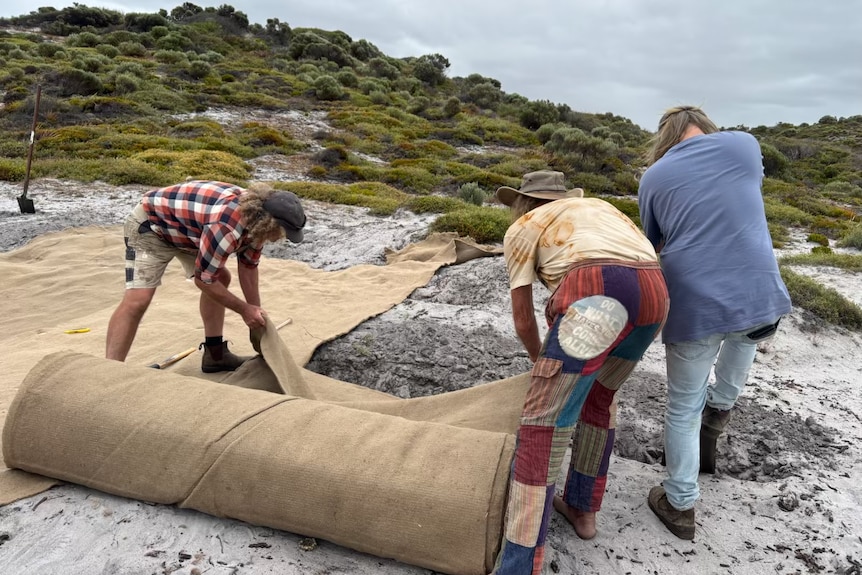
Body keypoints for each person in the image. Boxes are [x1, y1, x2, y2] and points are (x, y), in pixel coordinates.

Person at [492, 170, 669, 575]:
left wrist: (543, 365)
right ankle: (582, 509)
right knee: (599, 399)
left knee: (543, 424)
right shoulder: (602, 209)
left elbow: (523, 320)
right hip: (655, 296)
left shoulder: (524, 226)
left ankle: (519, 565)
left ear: (525, 202)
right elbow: (639, 261)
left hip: (598, 291)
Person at [637, 105, 792, 540]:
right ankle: (718, 415)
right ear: (705, 126)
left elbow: (653, 242)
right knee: (743, 342)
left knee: (682, 406)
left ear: (665, 136)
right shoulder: (744, 145)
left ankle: (681, 504)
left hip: (695, 301)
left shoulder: (653, 177)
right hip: (758, 293)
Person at [105, 180, 306, 373]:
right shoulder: (226, 227)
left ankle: (215, 355)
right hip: (151, 226)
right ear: (267, 223)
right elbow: (204, 280)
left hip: (186, 230)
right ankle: (111, 370)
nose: (280, 237)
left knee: (221, 278)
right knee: (138, 300)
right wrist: (244, 310)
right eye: (281, 232)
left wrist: (257, 317)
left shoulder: (256, 224)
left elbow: (248, 268)